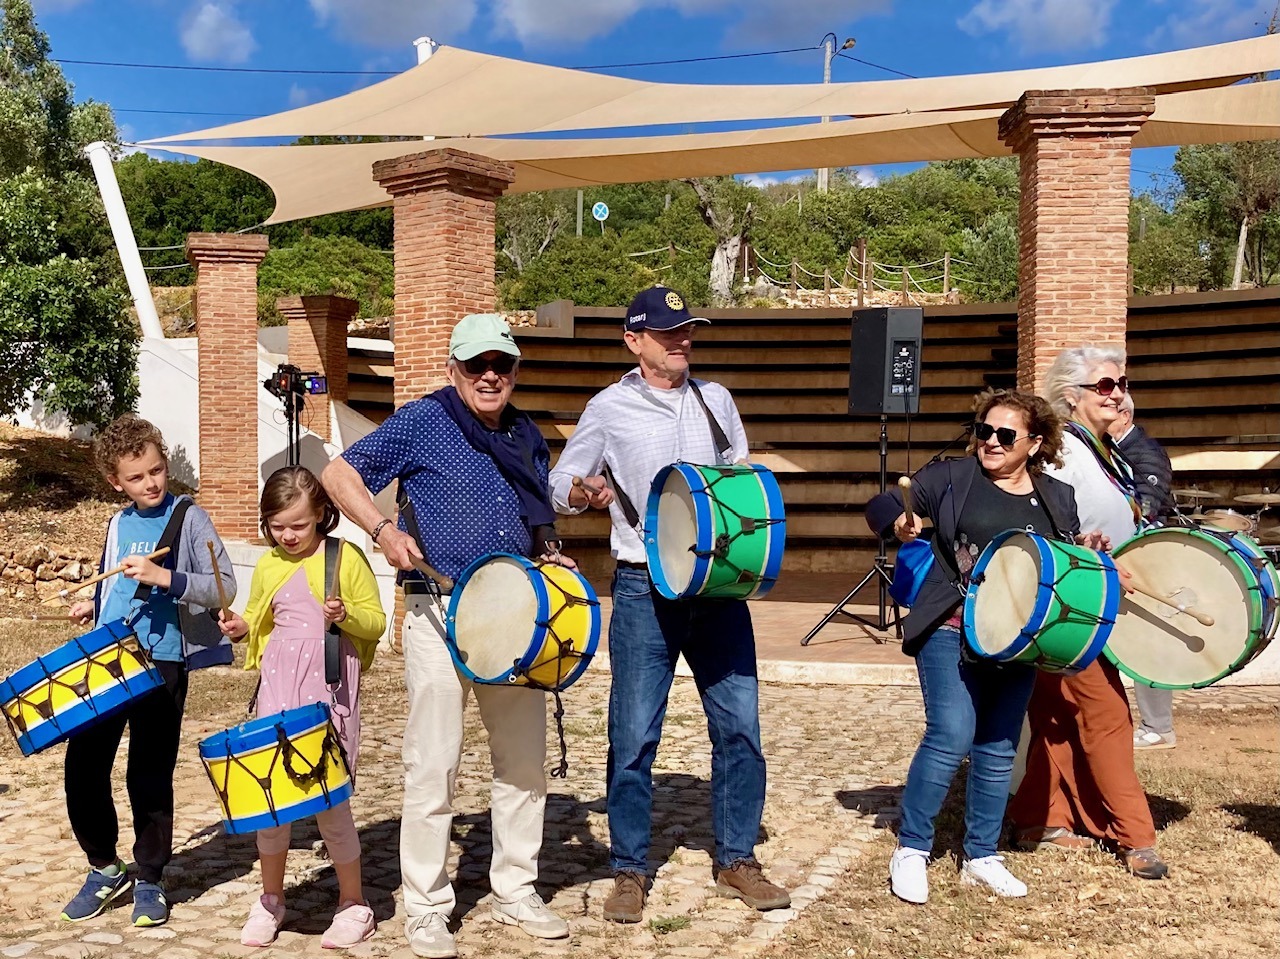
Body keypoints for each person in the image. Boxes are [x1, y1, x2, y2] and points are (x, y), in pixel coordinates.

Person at [321, 313, 572, 959]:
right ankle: (427, 905)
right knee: (434, 763)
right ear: (453, 369)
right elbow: (339, 474)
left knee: (524, 762)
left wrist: (551, 553)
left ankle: (516, 887)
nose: (490, 376)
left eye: (501, 365)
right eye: (477, 365)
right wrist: (382, 530)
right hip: (436, 612)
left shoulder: (525, 433)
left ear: (514, 370)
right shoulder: (422, 420)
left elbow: (536, 515)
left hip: (516, 618)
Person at [549, 286, 790, 924]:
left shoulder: (717, 400)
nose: (682, 340)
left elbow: (740, 478)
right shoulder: (607, 407)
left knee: (740, 729)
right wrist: (583, 491)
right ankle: (629, 869)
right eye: (667, 332)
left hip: (718, 592)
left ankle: (737, 859)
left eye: (687, 330)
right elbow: (557, 484)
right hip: (643, 587)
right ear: (634, 340)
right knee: (633, 735)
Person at [865, 390, 1086, 904]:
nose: (991, 441)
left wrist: (1090, 552)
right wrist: (896, 522)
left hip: (1017, 637)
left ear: (1034, 444)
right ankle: (912, 848)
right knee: (951, 732)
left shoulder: (1057, 497)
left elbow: (1067, 558)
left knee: (998, 743)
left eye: (1005, 435)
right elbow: (881, 505)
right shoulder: (951, 477)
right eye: (984, 430)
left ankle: (982, 856)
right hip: (950, 624)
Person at [61, 415, 237, 926]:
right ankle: (103, 866)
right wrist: (93, 606)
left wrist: (165, 576)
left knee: (149, 772)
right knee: (83, 765)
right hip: (109, 656)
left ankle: (151, 878)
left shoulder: (189, 517)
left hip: (163, 660)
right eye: (136, 477)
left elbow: (223, 586)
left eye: (156, 470)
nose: (151, 483)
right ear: (116, 482)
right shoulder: (118, 523)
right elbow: (116, 585)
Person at [1008, 346, 1170, 880]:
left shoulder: (1102, 451)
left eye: (1121, 383)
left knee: (1056, 716)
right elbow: (1044, 527)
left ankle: (1040, 818)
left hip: (1091, 601)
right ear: (1071, 396)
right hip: (1070, 605)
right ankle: (1135, 836)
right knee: (1108, 716)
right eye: (1104, 385)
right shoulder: (1062, 454)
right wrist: (1088, 554)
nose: (1117, 393)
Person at [218, 466, 385, 949]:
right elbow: (257, 618)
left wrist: (346, 614)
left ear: (322, 516)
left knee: (331, 802)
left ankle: (353, 904)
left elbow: (376, 622)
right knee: (271, 801)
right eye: (277, 526)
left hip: (328, 692)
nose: (288, 536)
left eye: (299, 525)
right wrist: (240, 628)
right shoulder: (269, 564)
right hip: (278, 689)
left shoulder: (344, 558)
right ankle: (271, 899)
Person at [1107, 393, 1177, 751]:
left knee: (1150, 640)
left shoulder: (1145, 451)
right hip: (1119, 555)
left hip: (1146, 555)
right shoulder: (1109, 450)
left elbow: (1146, 505)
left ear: (1124, 416)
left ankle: (1158, 726)